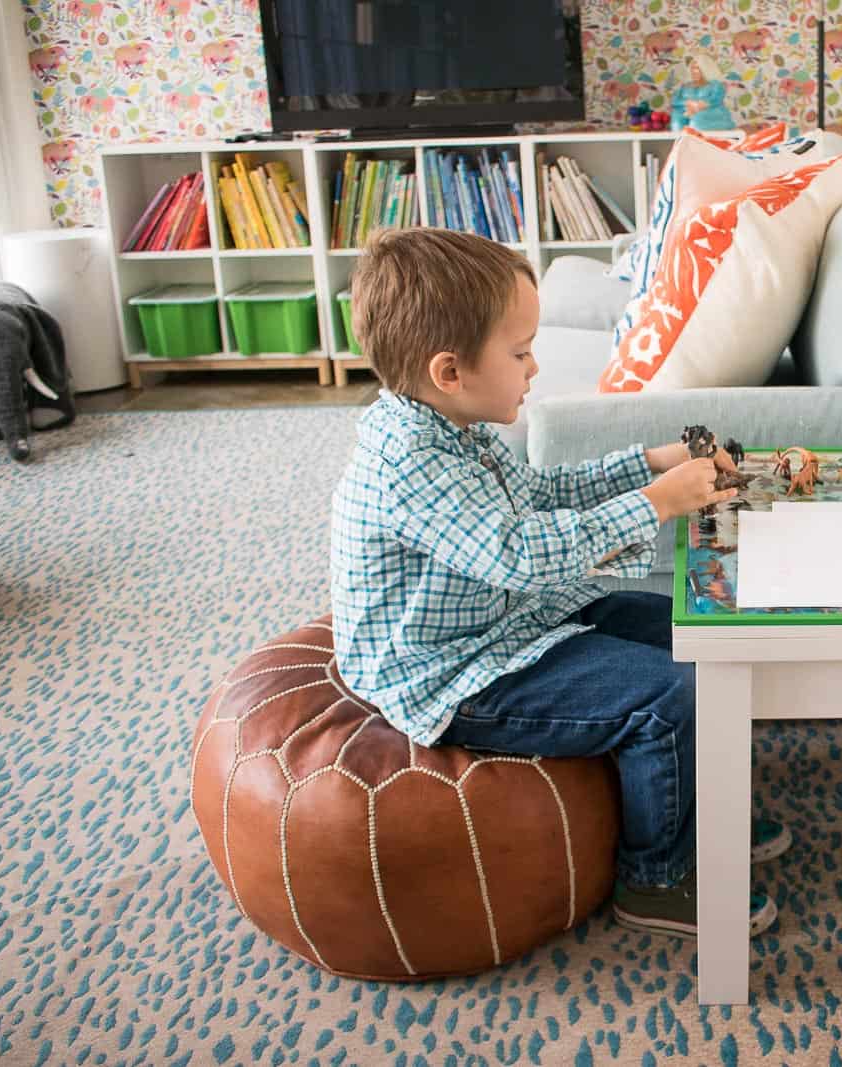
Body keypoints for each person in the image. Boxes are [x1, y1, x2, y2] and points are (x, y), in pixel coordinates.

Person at [330, 228, 788, 939]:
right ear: (450, 370)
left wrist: (652, 463)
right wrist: (660, 500)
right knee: (672, 690)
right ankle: (658, 877)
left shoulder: (455, 425)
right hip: (451, 671)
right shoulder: (408, 464)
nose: (535, 366)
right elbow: (520, 552)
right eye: (519, 353)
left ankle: (704, 803)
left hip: (507, 620)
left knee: (678, 624)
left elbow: (542, 494)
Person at [670, 54, 736, 132]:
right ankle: (680, 137)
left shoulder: (715, 84)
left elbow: (716, 99)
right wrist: (688, 104)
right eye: (692, 68)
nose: (693, 71)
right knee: (677, 116)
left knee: (698, 116)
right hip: (688, 111)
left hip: (711, 112)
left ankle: (696, 132)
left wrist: (699, 106)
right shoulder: (685, 86)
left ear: (705, 68)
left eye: (696, 68)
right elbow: (675, 102)